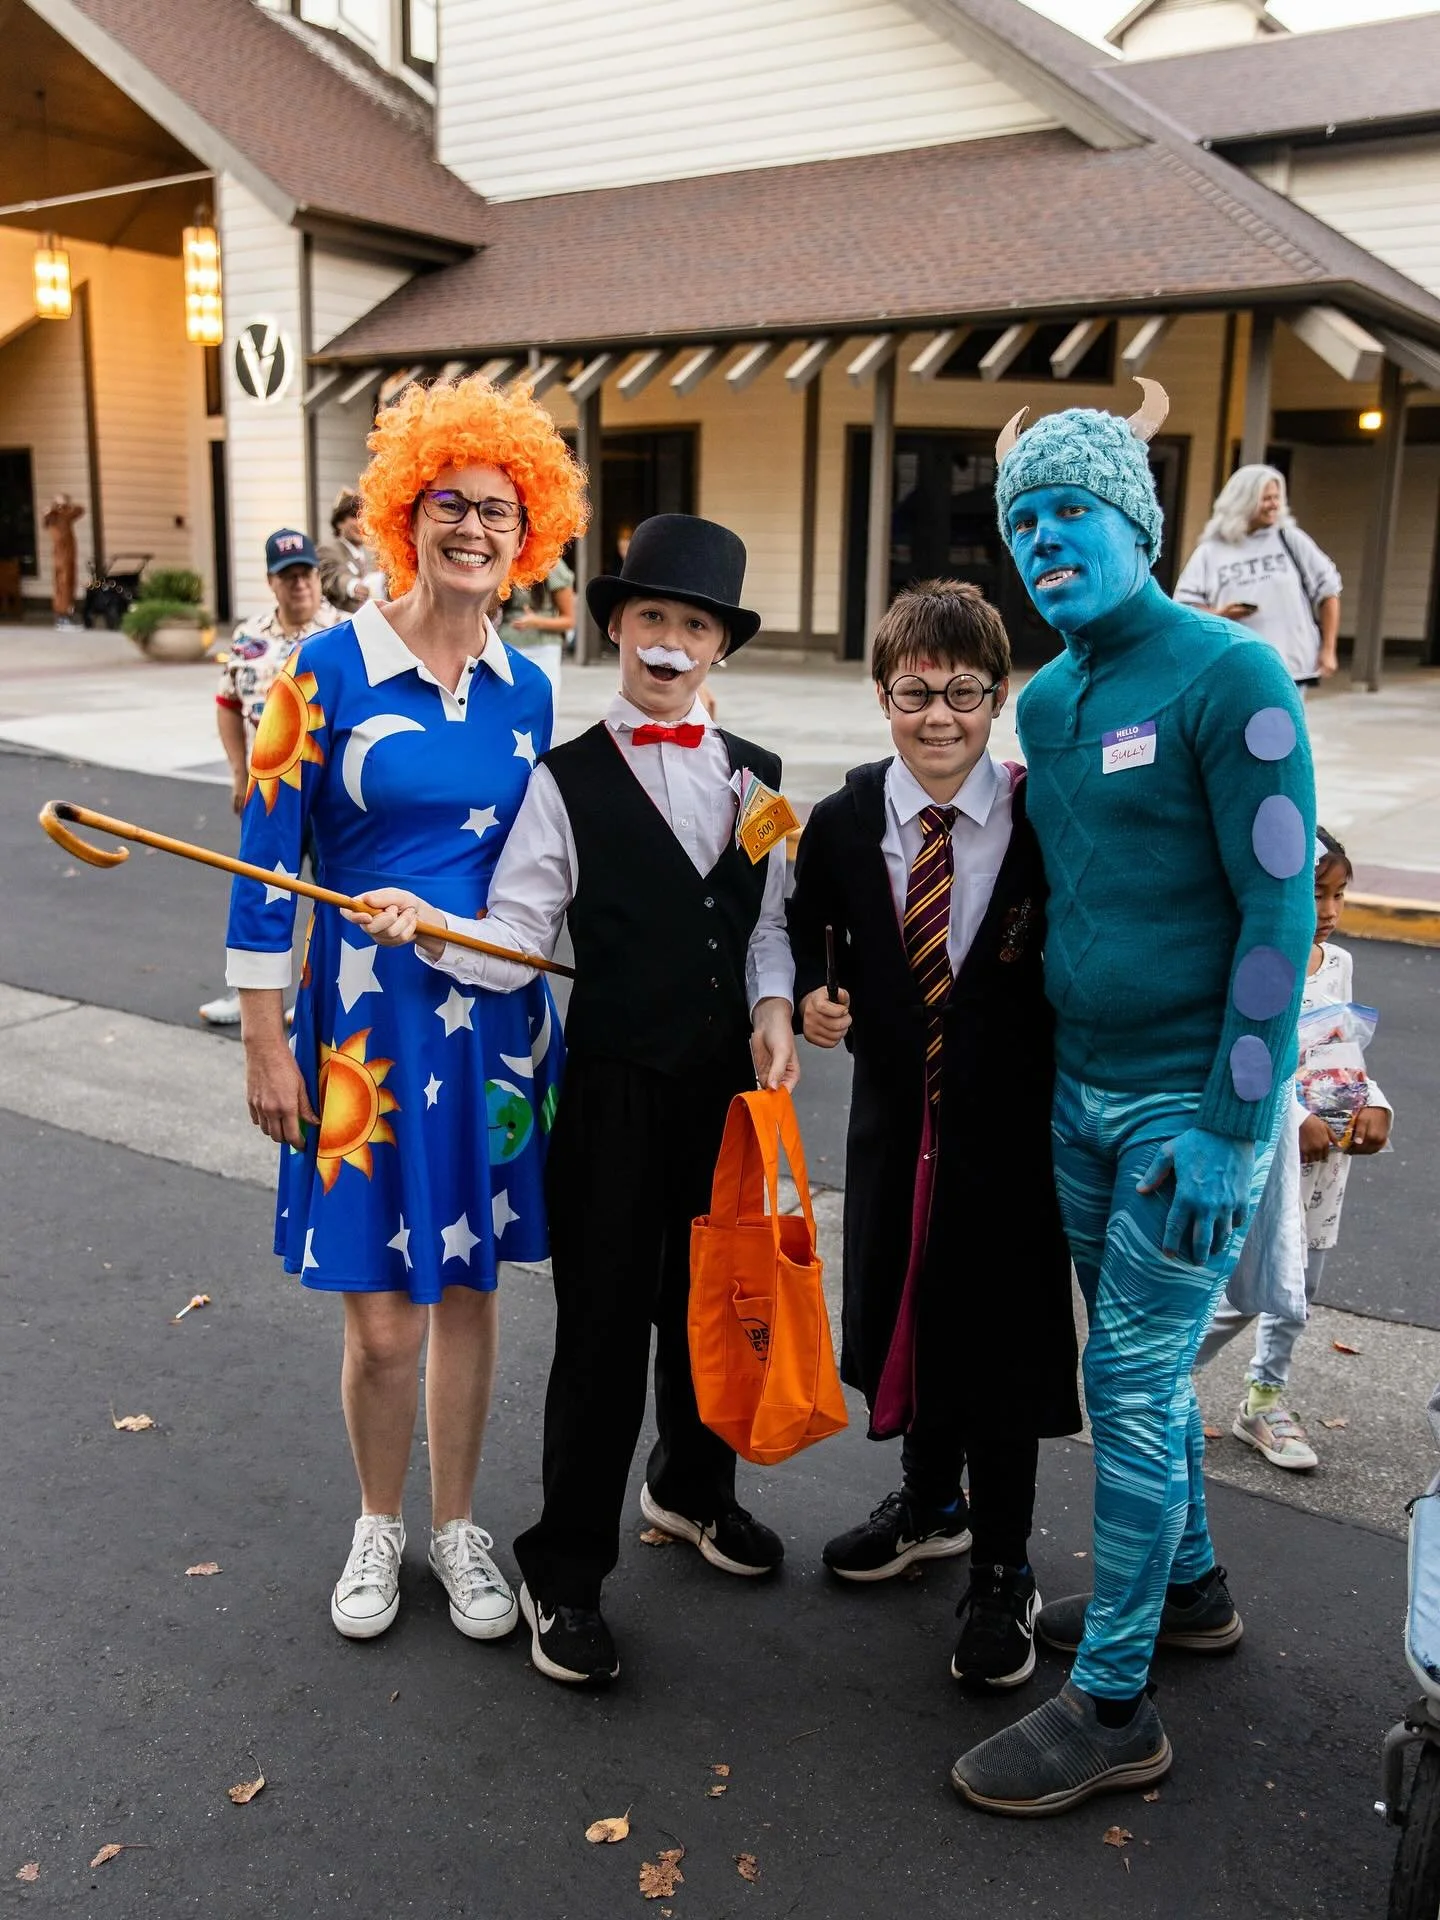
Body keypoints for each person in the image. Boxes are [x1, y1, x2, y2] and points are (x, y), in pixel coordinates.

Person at [346, 514, 798, 1687]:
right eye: (650, 618)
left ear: (719, 648)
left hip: (721, 1098)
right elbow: (514, 939)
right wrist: (429, 926)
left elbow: (767, 930)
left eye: (693, 624)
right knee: (603, 1337)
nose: (668, 642)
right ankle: (566, 1573)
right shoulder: (565, 780)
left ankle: (694, 1490)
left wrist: (776, 1009)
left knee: (708, 1305)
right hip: (607, 1098)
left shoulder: (761, 777)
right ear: (616, 628)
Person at [950, 383, 1315, 1816]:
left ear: (1142, 523)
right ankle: (1195, 1592)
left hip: (1186, 1111)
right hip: (1078, 1098)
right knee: (1139, 1370)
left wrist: (1236, 1124)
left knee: (1127, 1385)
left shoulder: (1234, 676)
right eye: (1024, 522)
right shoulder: (1047, 699)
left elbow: (1278, 908)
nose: (1047, 542)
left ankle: (1113, 1705)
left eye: (1074, 515)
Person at [224, 374, 586, 1646]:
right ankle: (379, 1523)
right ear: (404, 514)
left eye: (499, 508)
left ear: (527, 527)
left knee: (472, 1291)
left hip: (491, 1030)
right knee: (384, 1321)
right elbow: (265, 874)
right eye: (450, 504)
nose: (474, 528)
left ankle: (457, 1525)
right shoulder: (313, 675)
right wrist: (266, 1042)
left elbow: (537, 879)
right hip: (361, 1040)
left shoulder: (528, 690)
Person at [788, 580, 1079, 1690]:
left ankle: (1002, 1566)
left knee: (997, 1339)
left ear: (998, 699)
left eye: (964, 692)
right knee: (906, 1301)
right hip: (896, 1116)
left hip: (1011, 1129)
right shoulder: (850, 818)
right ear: (880, 693)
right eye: (915, 692)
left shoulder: (1043, 815)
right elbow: (811, 928)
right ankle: (929, 1499)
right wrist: (820, 995)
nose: (939, 715)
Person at [1195, 827, 1392, 1469]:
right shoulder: (1251, 960)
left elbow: (1341, 1053)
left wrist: (1375, 1103)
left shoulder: (1336, 963)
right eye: (1315, 895)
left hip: (1327, 1161)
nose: (1330, 913)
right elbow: (1243, 1063)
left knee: (1301, 1286)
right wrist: (1294, 1114)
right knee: (1245, 1287)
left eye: (1339, 895)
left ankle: (1264, 1400)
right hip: (1266, 1152)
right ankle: (1156, 1380)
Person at [199, 530, 341, 1026]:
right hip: (269, 786)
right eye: (288, 576)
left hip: (328, 788)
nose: (299, 584)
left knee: (334, 892)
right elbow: (227, 705)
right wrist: (239, 772)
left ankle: (322, 994)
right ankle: (251, 998)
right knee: (260, 887)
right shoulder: (249, 635)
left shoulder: (348, 632)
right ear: (271, 582)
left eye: (305, 573)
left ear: (318, 577)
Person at [1175, 466, 1341, 691]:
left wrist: (1328, 650)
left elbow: (1329, 592)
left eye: (1276, 497)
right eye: (1265, 499)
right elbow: (1185, 607)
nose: (1274, 505)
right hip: (1237, 667)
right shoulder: (1212, 551)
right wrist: (1221, 613)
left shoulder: (1291, 540)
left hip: (1291, 668)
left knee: (1284, 726)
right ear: (1243, 501)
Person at [493, 552, 574, 706]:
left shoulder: (552, 564)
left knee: (542, 706)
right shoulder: (503, 559)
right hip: (505, 647)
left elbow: (569, 620)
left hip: (543, 649)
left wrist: (537, 622)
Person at [317, 490, 380, 616]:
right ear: (339, 522)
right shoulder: (329, 550)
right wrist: (353, 586)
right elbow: (334, 578)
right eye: (354, 516)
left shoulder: (372, 554)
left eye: (364, 517)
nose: (361, 522)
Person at [43, 494, 84, 627]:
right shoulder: (54, 517)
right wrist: (55, 507)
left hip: (69, 555)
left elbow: (80, 510)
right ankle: (62, 615)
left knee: (69, 583)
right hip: (61, 556)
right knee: (63, 584)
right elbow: (46, 518)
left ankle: (66, 613)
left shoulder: (65, 515)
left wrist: (65, 506)